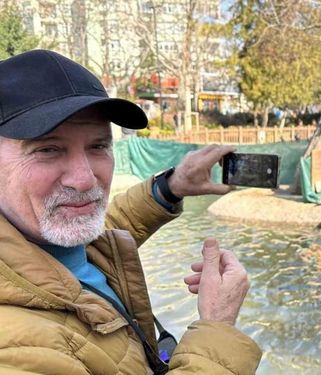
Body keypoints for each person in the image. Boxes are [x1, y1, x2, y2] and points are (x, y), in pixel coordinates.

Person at [0, 49, 261, 373]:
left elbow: (104, 233)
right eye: (48, 149)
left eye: (98, 146)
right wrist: (218, 327)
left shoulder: (43, 236)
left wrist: (173, 185)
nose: (84, 180)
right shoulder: (13, 349)